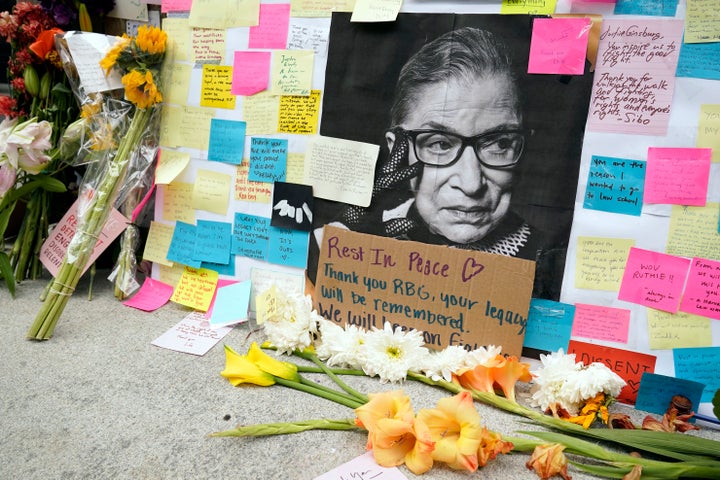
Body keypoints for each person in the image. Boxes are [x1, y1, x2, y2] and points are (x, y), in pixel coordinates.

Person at [335, 26, 545, 263]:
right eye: (441, 144)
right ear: (399, 151)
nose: (471, 184)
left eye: (499, 144)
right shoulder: (350, 237)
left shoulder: (551, 262)